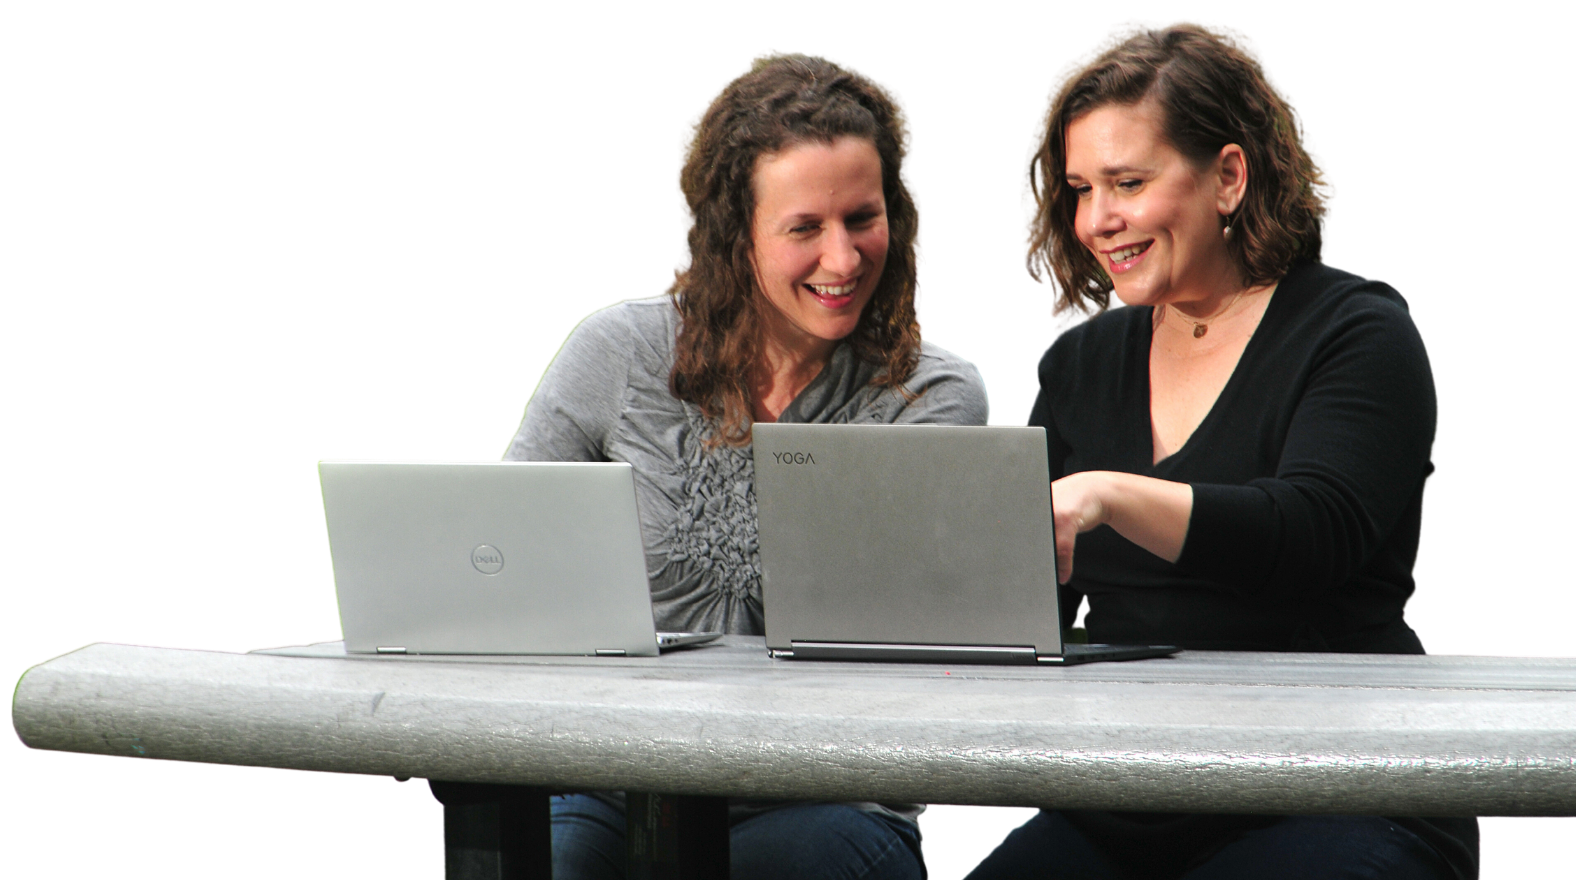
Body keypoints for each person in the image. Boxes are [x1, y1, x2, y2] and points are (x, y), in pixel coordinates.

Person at [963, 19, 1479, 880]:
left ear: (1229, 176)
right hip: (1130, 806)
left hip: (1339, 793)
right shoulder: (1081, 365)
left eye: (1127, 182)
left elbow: (1308, 534)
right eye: (1081, 188)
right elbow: (1027, 605)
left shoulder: (1357, 332)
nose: (1097, 220)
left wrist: (1107, 495)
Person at [488, 49, 991, 879]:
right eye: (804, 229)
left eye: (863, 218)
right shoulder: (617, 349)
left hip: (822, 795)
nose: (844, 259)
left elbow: (937, 664)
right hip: (610, 775)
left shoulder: (935, 397)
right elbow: (490, 563)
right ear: (734, 237)